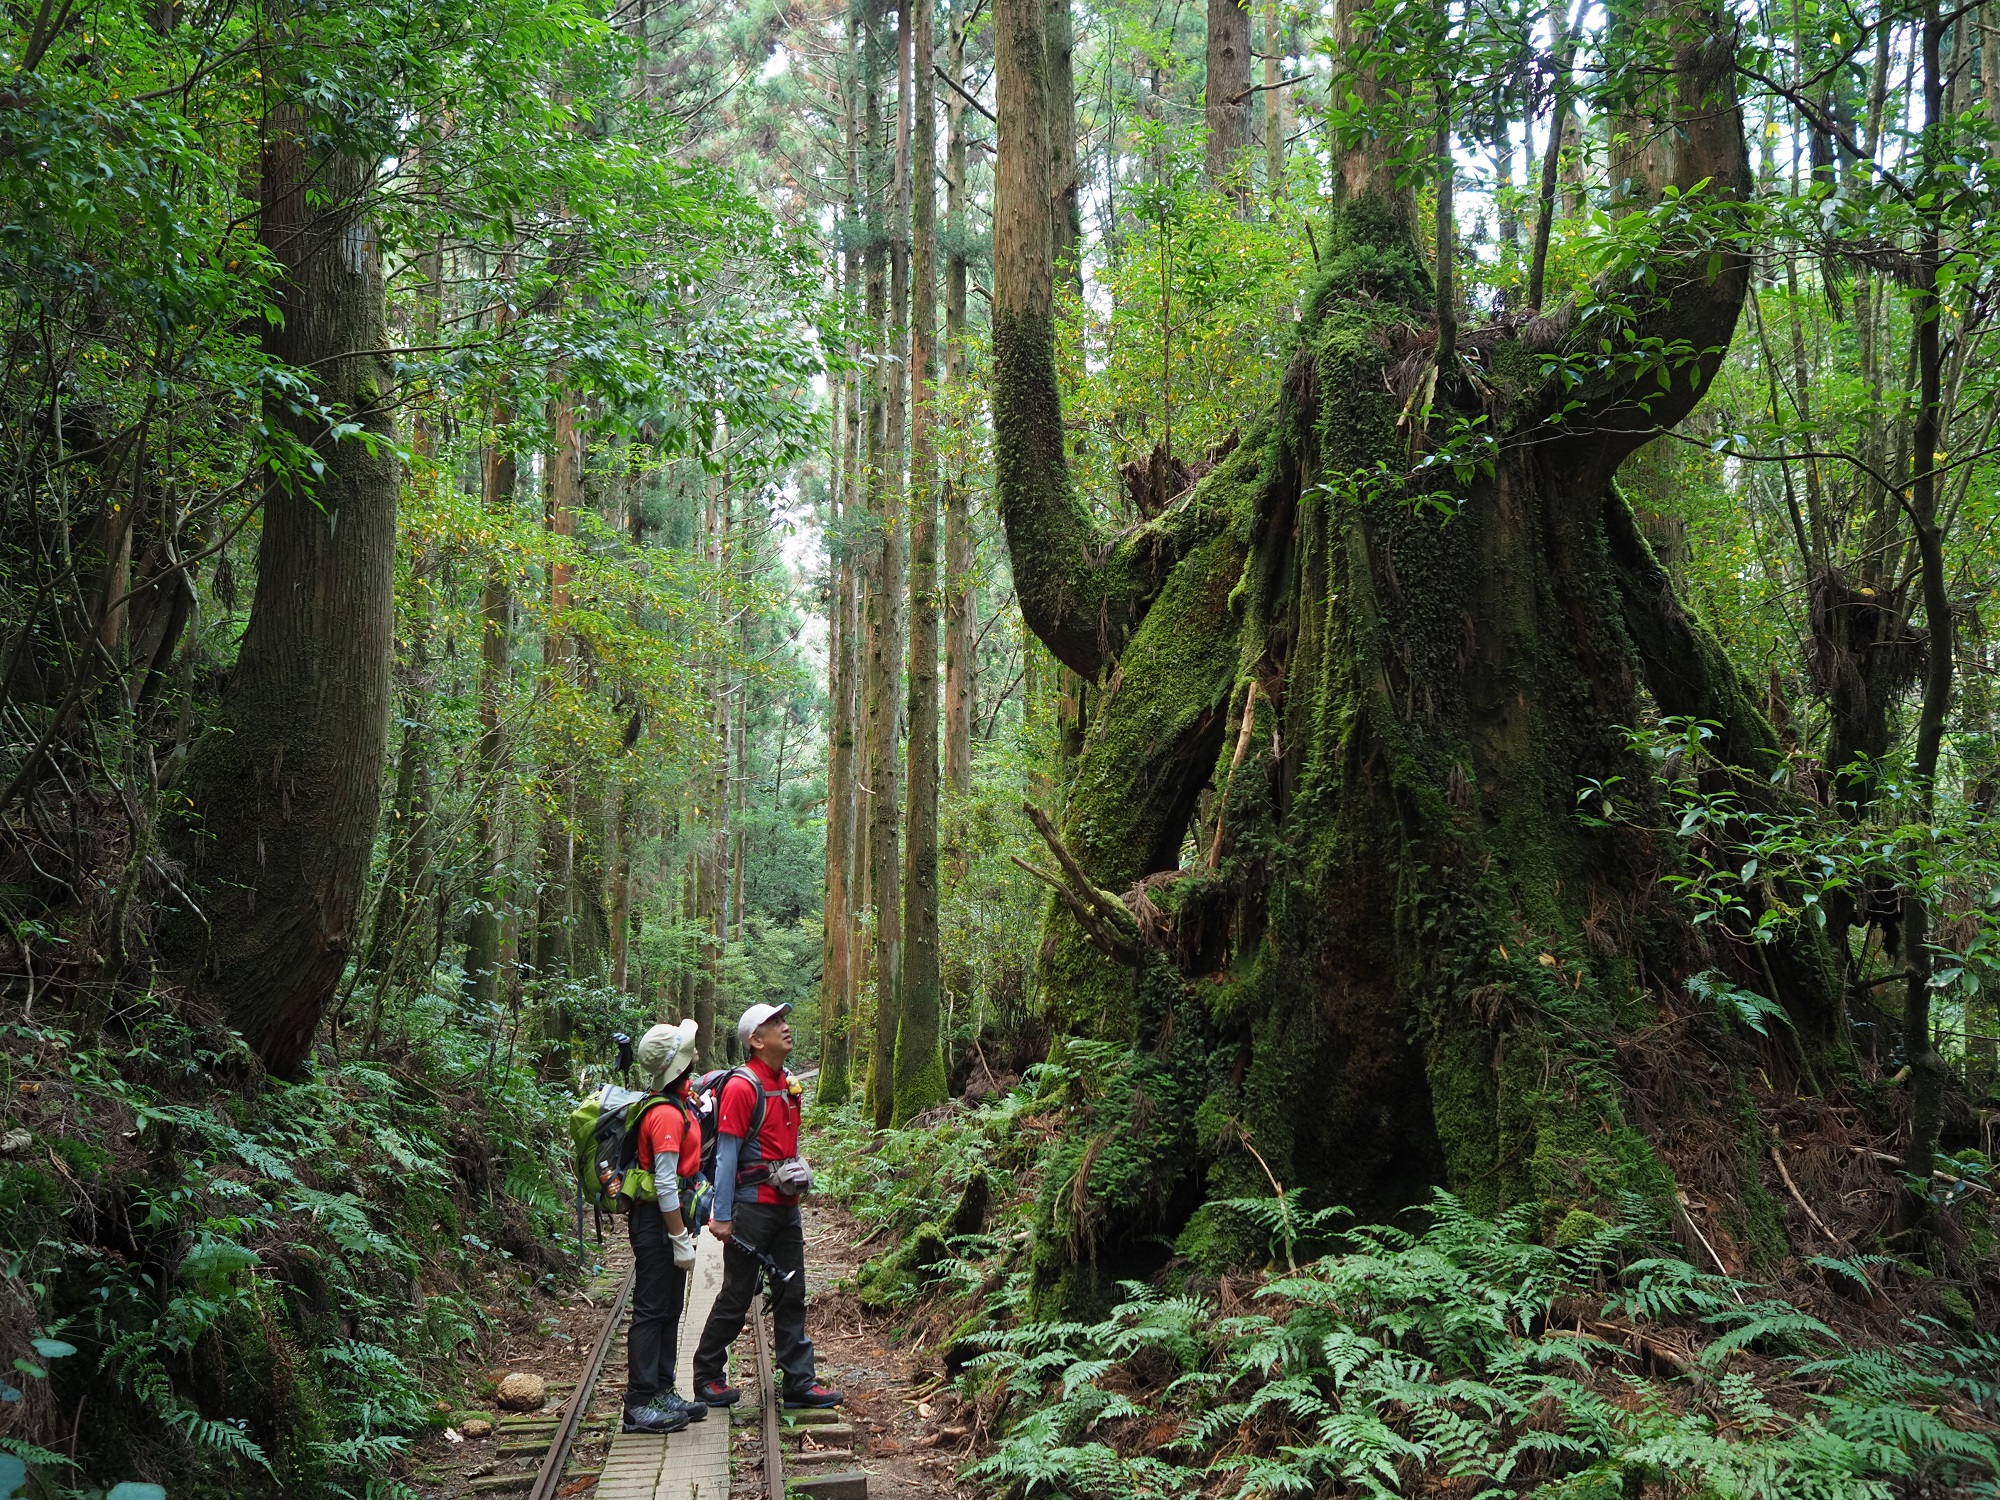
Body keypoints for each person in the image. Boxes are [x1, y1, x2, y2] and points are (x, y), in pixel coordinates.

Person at [691, 1002, 844, 1410]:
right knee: (738, 1294)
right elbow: (726, 1156)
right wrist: (722, 1215)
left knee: (792, 1292)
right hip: (751, 1207)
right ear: (756, 1040)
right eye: (774, 1022)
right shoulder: (743, 1087)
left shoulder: (787, 1081)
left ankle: (799, 1381)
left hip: (786, 1204)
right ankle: (707, 1375)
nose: (785, 1027)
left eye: (783, 1020)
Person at [623, 1019, 708, 1434]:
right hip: (657, 1223)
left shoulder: (678, 1102)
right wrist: (678, 1237)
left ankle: (662, 1389)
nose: (696, 1051)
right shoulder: (664, 1115)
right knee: (651, 1310)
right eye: (689, 1049)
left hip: (666, 1222)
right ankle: (639, 1402)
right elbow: (664, 1182)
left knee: (671, 1308)